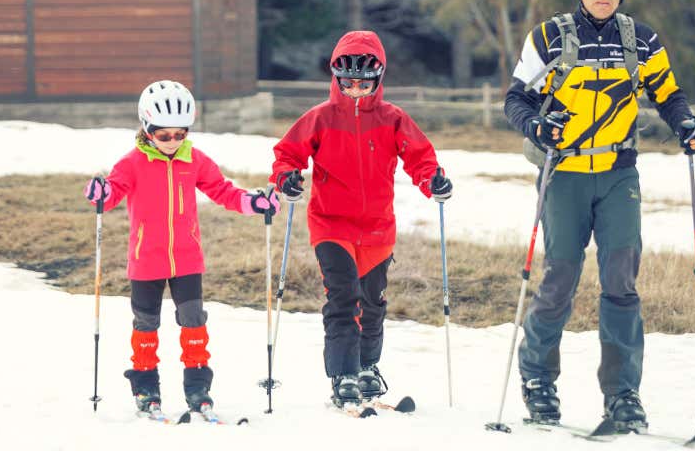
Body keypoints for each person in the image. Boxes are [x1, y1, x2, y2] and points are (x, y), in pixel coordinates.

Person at [503, 0, 695, 432]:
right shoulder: (548, 37)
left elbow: (667, 93)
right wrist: (537, 128)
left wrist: (686, 124)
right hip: (565, 172)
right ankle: (537, 382)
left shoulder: (643, 41)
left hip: (618, 174)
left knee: (621, 281)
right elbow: (515, 100)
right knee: (560, 279)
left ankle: (623, 395)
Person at [269, 30, 453, 407]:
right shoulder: (320, 118)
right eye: (348, 83)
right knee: (343, 298)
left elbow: (420, 156)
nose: (355, 90)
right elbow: (287, 153)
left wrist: (432, 180)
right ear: (336, 79)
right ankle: (343, 373)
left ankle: (367, 366)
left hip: (377, 229)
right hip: (331, 224)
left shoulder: (392, 118)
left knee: (372, 302)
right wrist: (286, 178)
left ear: (378, 80)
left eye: (363, 84)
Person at [84, 79, 279, 416]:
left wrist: (253, 202)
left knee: (194, 323)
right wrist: (101, 194)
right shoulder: (132, 163)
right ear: (147, 129)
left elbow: (223, 191)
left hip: (187, 260)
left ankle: (198, 388)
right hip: (145, 260)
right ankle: (145, 388)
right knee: (146, 325)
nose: (173, 142)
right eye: (164, 136)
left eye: (180, 134)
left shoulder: (195, 160)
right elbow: (113, 191)